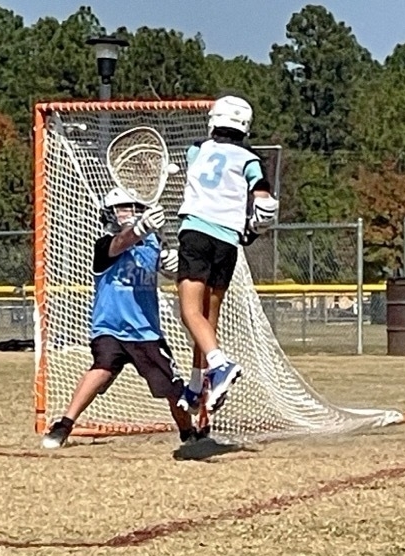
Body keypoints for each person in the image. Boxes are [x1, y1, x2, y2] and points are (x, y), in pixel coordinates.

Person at [42, 187, 203, 449]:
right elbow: (121, 243)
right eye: (121, 208)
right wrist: (141, 228)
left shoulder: (152, 245)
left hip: (145, 332)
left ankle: (188, 433)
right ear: (110, 214)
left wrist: (172, 265)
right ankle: (64, 425)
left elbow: (165, 268)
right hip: (110, 327)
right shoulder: (105, 244)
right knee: (102, 368)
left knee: (173, 389)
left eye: (133, 206)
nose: (127, 212)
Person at [176, 95, 279, 415]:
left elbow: (196, 162)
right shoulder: (250, 160)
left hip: (197, 232)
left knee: (190, 314)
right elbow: (266, 205)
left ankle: (219, 366)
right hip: (228, 242)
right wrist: (253, 228)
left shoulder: (198, 150)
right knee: (207, 320)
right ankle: (196, 386)